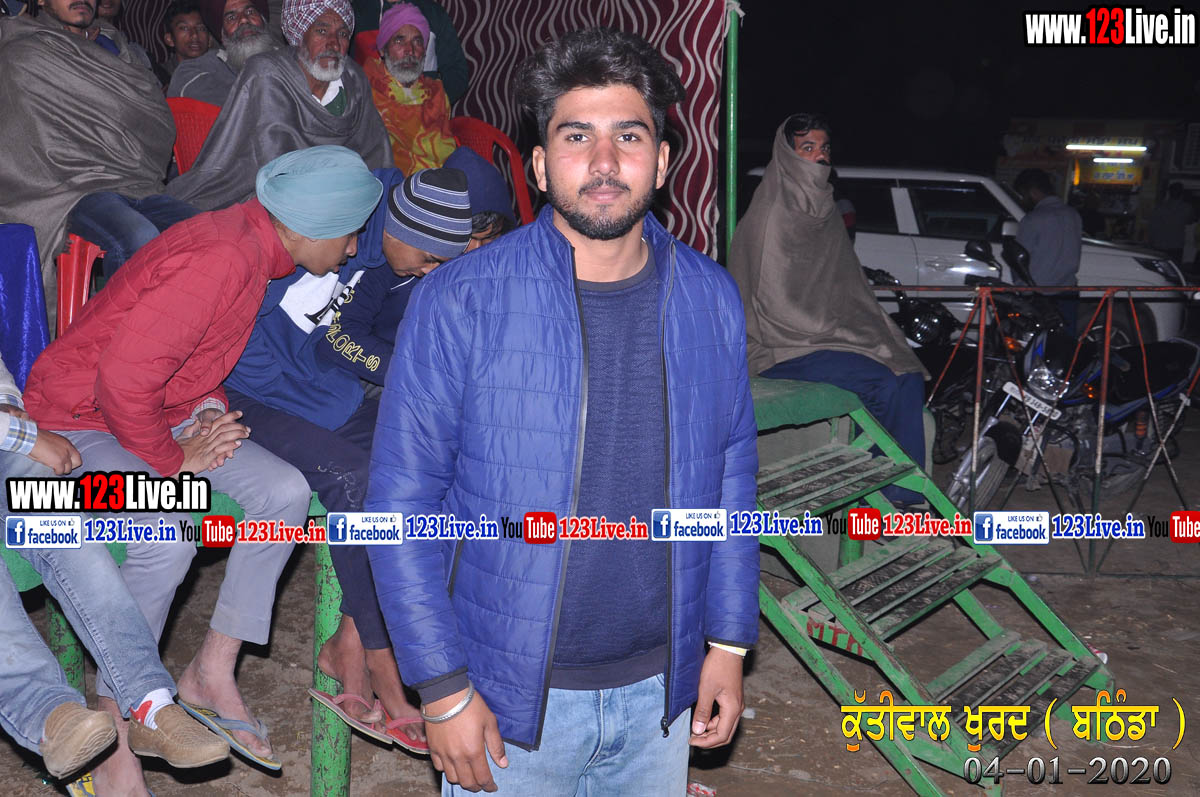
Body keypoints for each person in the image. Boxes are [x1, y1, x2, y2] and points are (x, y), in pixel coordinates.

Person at [367, 27, 760, 794]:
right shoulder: (461, 300)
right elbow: (401, 505)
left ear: (663, 161)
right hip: (506, 698)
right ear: (542, 165)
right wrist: (442, 687)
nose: (605, 162)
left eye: (629, 136)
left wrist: (727, 642)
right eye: (577, 136)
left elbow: (731, 479)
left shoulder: (710, 297)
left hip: (662, 692)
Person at [22, 146, 384, 779]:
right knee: (167, 532)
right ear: (308, 228)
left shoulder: (254, 250)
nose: (353, 250)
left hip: (161, 409)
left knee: (283, 492)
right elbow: (122, 380)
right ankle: (118, 717)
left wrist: (208, 408)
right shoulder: (224, 257)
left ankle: (211, 670)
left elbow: (194, 357)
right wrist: (174, 458)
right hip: (82, 415)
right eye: (350, 233)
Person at [225, 166, 473, 754]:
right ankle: (382, 670)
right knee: (355, 478)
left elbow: (352, 335)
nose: (429, 272)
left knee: (427, 466)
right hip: (248, 391)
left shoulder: (390, 243)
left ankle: (349, 641)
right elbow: (234, 342)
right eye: (427, 258)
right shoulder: (311, 236)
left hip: (322, 388)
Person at [1, 353, 231, 792]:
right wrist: (19, 433)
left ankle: (149, 701)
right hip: (15, 434)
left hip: (7, 437)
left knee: (62, 523)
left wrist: (8, 406)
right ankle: (48, 714)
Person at [728, 112, 928, 506]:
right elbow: (774, 305)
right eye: (807, 148)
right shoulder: (771, 215)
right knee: (882, 383)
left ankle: (902, 492)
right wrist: (844, 333)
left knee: (906, 373)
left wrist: (862, 331)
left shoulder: (825, 209)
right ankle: (873, 498)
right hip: (777, 346)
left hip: (825, 339)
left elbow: (846, 286)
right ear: (788, 155)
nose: (819, 157)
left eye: (824, 148)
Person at [0, 0, 196, 293]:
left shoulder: (114, 47)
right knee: (139, 236)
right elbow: (21, 147)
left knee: (208, 230)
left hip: (135, 181)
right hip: (71, 189)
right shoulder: (25, 53)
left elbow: (155, 116)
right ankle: (119, 323)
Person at [318, 148, 515, 388]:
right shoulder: (393, 260)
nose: (476, 251)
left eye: (489, 240)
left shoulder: (500, 266)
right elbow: (339, 335)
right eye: (468, 239)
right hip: (386, 373)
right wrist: (418, 372)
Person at [166, 0, 391, 210]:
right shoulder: (253, 72)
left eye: (250, 12)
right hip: (270, 194)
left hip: (345, 192)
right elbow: (270, 163)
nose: (333, 43)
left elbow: (376, 154)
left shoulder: (352, 78)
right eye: (232, 17)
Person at [363, 2, 456, 174]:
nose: (409, 50)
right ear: (383, 50)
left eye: (417, 42)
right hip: (387, 181)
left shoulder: (436, 94)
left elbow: (447, 149)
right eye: (399, 40)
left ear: (424, 51)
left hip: (441, 177)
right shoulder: (366, 88)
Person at [351, 0, 468, 104]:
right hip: (370, 111)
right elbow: (346, 70)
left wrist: (432, 105)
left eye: (417, 41)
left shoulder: (433, 13)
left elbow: (457, 72)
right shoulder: (357, 12)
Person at [167, 0, 277, 105]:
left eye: (250, 12)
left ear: (263, 21)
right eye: (231, 17)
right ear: (223, 35)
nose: (244, 20)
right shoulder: (196, 72)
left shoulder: (286, 58)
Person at [1013, 167, 1082, 333]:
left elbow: (1020, 256)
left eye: (1023, 195)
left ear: (1033, 192)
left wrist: (1019, 287)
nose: (1022, 200)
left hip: (1038, 296)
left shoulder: (1033, 219)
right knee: (1065, 341)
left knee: (1035, 342)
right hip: (1067, 292)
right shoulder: (1073, 215)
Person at [1148, 182, 1197, 267]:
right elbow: (1191, 220)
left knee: (1159, 268)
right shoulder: (1187, 208)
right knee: (1174, 269)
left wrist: (1151, 242)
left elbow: (1152, 226)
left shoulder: (1159, 207)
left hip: (1159, 244)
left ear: (1169, 193)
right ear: (1181, 193)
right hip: (1176, 246)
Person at [160, 0, 211, 80]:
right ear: (170, 39)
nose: (194, 35)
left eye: (201, 28)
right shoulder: (160, 78)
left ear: (209, 38)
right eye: (184, 28)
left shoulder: (223, 69)